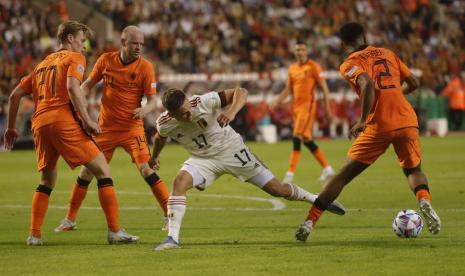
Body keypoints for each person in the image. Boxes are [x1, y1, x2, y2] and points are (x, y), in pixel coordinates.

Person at [295, 22, 441, 242]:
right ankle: (424, 201)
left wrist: (362, 120)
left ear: (343, 44)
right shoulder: (388, 53)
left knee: (343, 176)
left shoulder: (349, 63)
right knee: (413, 170)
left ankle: (309, 222)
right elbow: (414, 82)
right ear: (364, 35)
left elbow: (367, 84)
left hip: (378, 125)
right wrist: (395, 95)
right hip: (406, 119)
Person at [149, 87, 346, 251]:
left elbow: (240, 91)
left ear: (187, 100)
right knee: (179, 182)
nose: (188, 114)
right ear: (170, 113)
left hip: (232, 151)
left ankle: (318, 199)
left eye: (187, 109)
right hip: (203, 160)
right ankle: (172, 239)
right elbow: (160, 137)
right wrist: (155, 156)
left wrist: (232, 111)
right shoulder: (165, 123)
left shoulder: (204, 101)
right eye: (182, 114)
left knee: (277, 190)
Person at [3, 21, 138, 245]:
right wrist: (87, 120)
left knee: (46, 180)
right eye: (82, 40)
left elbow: (15, 96)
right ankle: (114, 231)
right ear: (69, 40)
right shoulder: (74, 58)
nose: (84, 46)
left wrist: (11, 128)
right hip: (62, 121)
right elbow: (73, 87)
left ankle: (34, 235)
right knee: (103, 170)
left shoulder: (42, 64)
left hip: (40, 124)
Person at [54, 25, 170, 233]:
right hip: (104, 128)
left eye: (141, 44)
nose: (139, 48)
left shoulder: (146, 67)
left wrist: (144, 111)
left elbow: (153, 100)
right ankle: (69, 219)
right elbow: (87, 85)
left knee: (146, 169)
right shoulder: (106, 61)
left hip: (131, 128)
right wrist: (76, 101)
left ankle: (170, 216)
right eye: (135, 43)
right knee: (87, 172)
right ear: (123, 42)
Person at [270, 42, 335, 183]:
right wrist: (277, 101)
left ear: (306, 51)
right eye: (297, 50)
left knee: (296, 136)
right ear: (294, 52)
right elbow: (288, 89)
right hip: (296, 108)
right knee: (306, 139)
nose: (300, 52)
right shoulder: (292, 68)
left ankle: (290, 174)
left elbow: (324, 88)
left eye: (302, 49)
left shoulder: (313, 67)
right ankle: (327, 168)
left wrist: (328, 109)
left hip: (308, 107)